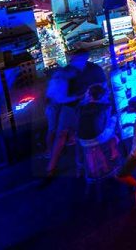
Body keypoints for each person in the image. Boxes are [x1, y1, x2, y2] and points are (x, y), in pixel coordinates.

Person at [45, 51, 107, 179]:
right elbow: (60, 94)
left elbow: (103, 85)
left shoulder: (93, 69)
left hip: (85, 108)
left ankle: (81, 167)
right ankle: (52, 167)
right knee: (64, 135)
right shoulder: (69, 71)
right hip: (73, 107)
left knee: (75, 136)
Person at [77, 84, 120, 178]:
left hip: (82, 142)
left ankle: (95, 168)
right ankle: (114, 156)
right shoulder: (105, 107)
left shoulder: (81, 108)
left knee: (100, 133)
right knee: (114, 122)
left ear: (90, 96)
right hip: (98, 139)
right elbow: (107, 124)